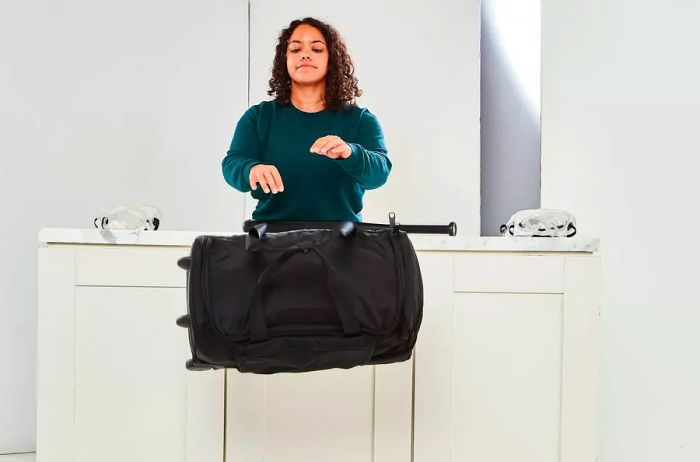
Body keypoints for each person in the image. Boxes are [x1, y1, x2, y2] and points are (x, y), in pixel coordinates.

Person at [222, 17, 391, 222]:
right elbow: (232, 163)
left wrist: (350, 152)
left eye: (317, 49)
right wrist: (251, 169)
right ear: (285, 59)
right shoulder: (259, 117)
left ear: (331, 60)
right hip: (271, 241)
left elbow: (380, 173)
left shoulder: (361, 119)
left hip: (342, 243)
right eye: (295, 49)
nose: (305, 55)